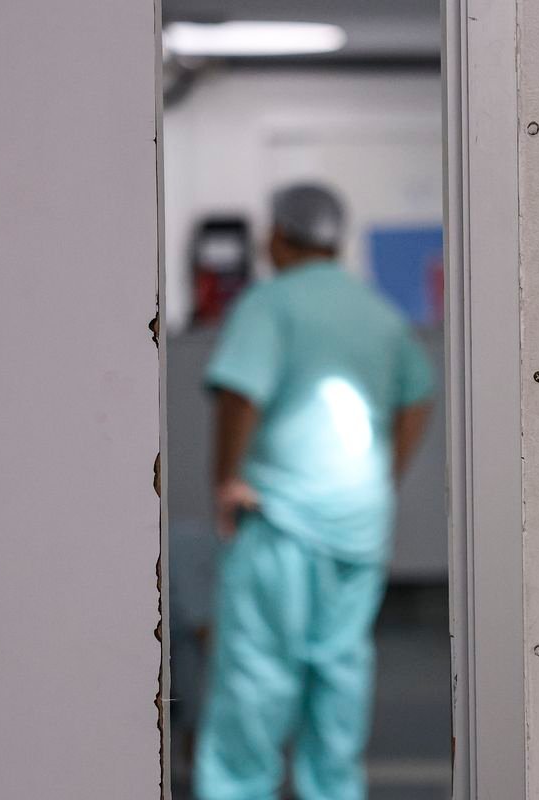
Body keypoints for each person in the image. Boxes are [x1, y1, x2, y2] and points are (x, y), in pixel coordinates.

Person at [194, 183, 435, 800]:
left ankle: (238, 789)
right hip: (359, 522)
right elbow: (417, 397)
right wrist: (384, 476)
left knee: (258, 671)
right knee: (339, 670)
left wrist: (227, 481)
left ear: (277, 236)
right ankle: (332, 789)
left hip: (282, 517)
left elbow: (240, 394)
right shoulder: (377, 312)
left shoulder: (269, 303)